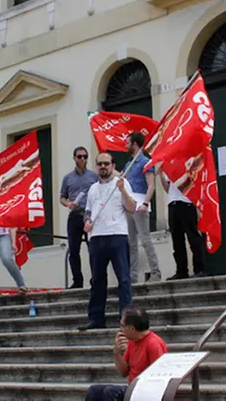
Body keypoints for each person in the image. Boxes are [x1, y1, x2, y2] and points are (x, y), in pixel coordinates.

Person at [78, 153, 136, 331]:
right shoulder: (93, 188)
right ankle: (96, 318)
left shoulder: (121, 183)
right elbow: (88, 211)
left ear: (112, 165)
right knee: (97, 280)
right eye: (100, 164)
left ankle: (126, 318)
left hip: (117, 235)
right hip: (96, 237)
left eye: (106, 163)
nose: (103, 166)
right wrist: (87, 222)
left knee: (123, 279)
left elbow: (132, 208)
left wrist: (123, 191)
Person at [85, 306, 168, 400]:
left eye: (122, 326)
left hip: (145, 392)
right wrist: (117, 353)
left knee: (110, 392)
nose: (120, 329)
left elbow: (160, 378)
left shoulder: (153, 344)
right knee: (94, 391)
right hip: (133, 388)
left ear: (132, 328)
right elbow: (124, 372)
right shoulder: (133, 341)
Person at [124, 132, 161, 283]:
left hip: (140, 205)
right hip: (129, 205)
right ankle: (133, 276)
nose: (125, 145)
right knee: (131, 242)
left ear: (134, 144)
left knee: (145, 239)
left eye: (127, 142)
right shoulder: (128, 164)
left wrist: (146, 203)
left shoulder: (145, 162)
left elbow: (151, 185)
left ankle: (155, 272)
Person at [59, 146, 99, 289]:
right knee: (74, 250)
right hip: (75, 215)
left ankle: (95, 279)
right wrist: (68, 204)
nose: (82, 159)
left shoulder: (94, 176)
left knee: (93, 249)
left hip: (90, 215)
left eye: (85, 156)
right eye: (79, 156)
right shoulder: (68, 178)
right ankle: (77, 281)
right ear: (74, 158)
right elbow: (62, 197)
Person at [160, 171, 206, 279]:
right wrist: (161, 175)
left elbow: (194, 182)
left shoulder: (188, 163)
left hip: (187, 203)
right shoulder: (169, 165)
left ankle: (199, 269)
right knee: (177, 240)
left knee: (193, 237)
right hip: (172, 203)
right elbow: (167, 189)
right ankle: (181, 270)